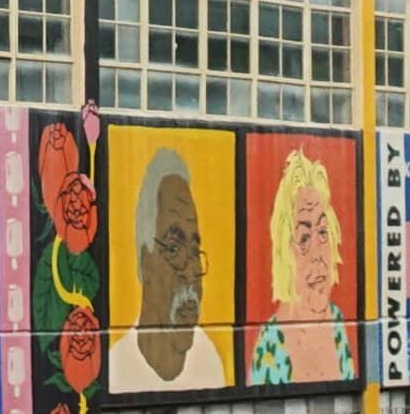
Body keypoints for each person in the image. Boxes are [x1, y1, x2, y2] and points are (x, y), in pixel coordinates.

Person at [113, 149, 230, 390]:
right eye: (174, 248)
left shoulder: (211, 363)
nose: (192, 272)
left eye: (195, 252)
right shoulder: (115, 368)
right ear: (145, 264)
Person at [246, 154, 351, 385]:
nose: (317, 254)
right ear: (284, 253)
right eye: (303, 238)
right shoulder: (272, 345)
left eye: (323, 232)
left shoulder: (338, 322)